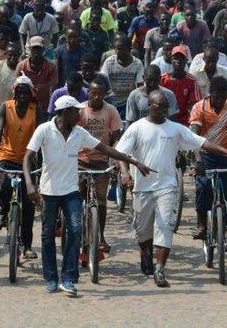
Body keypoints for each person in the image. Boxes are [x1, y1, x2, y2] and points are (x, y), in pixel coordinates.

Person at [23, 95, 152, 296]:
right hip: (49, 192)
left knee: (75, 230)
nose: (79, 114)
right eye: (76, 111)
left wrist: (134, 162)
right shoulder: (44, 130)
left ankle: (68, 278)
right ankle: (50, 278)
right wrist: (30, 184)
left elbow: (106, 149)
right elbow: (28, 157)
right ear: (65, 113)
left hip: (71, 191)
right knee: (47, 236)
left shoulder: (79, 132)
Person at [116, 90, 227, 287]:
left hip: (167, 187)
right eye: (160, 107)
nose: (165, 111)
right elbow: (121, 153)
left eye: (167, 108)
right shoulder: (136, 128)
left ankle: (160, 269)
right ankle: (145, 252)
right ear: (149, 105)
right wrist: (124, 172)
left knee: (165, 227)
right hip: (141, 189)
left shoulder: (175, 129)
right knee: (141, 231)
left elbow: (202, 142)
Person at [0, 76, 42, 258]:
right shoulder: (6, 107)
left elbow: (42, 137)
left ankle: (27, 246)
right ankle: (3, 212)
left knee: (28, 204)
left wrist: (43, 165)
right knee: (4, 188)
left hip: (28, 159)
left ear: (31, 94)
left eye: (25, 92)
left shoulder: (36, 110)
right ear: (15, 92)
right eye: (18, 92)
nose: (21, 95)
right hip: (7, 156)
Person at [189, 76, 227, 239]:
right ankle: (201, 224)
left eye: (223, 97)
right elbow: (194, 138)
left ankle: (226, 222)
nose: (220, 100)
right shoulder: (199, 108)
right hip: (205, 155)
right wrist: (198, 161)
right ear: (210, 93)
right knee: (203, 188)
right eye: (216, 96)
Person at [77, 79, 123, 252]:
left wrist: (117, 156)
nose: (96, 97)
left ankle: (101, 236)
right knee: (78, 198)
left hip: (101, 162)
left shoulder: (110, 110)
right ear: (88, 92)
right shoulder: (80, 110)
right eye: (93, 93)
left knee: (101, 200)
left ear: (105, 94)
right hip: (80, 161)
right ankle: (77, 233)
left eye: (100, 93)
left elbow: (117, 135)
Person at [100, 34, 143, 118]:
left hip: (129, 102)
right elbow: (103, 82)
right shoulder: (109, 62)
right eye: (116, 48)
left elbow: (140, 86)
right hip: (112, 101)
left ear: (129, 49)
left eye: (120, 49)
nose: (116, 51)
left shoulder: (137, 64)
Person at [160, 45, 202, 126]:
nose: (178, 61)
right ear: (171, 60)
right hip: (164, 119)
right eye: (176, 58)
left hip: (183, 120)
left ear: (186, 60)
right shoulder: (162, 79)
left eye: (181, 58)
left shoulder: (192, 80)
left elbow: (195, 104)